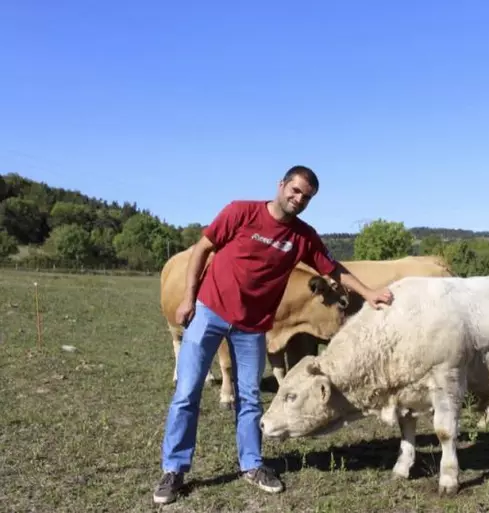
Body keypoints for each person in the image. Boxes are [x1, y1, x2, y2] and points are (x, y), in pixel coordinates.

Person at [152, 165, 394, 505]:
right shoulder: (241, 211)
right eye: (294, 191)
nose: (298, 200)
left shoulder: (303, 236)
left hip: (252, 327)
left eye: (306, 197)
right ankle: (174, 470)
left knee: (250, 397)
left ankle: (251, 464)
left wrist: (368, 293)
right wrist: (190, 298)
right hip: (210, 313)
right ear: (281, 185)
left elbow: (333, 268)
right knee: (187, 391)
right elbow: (202, 248)